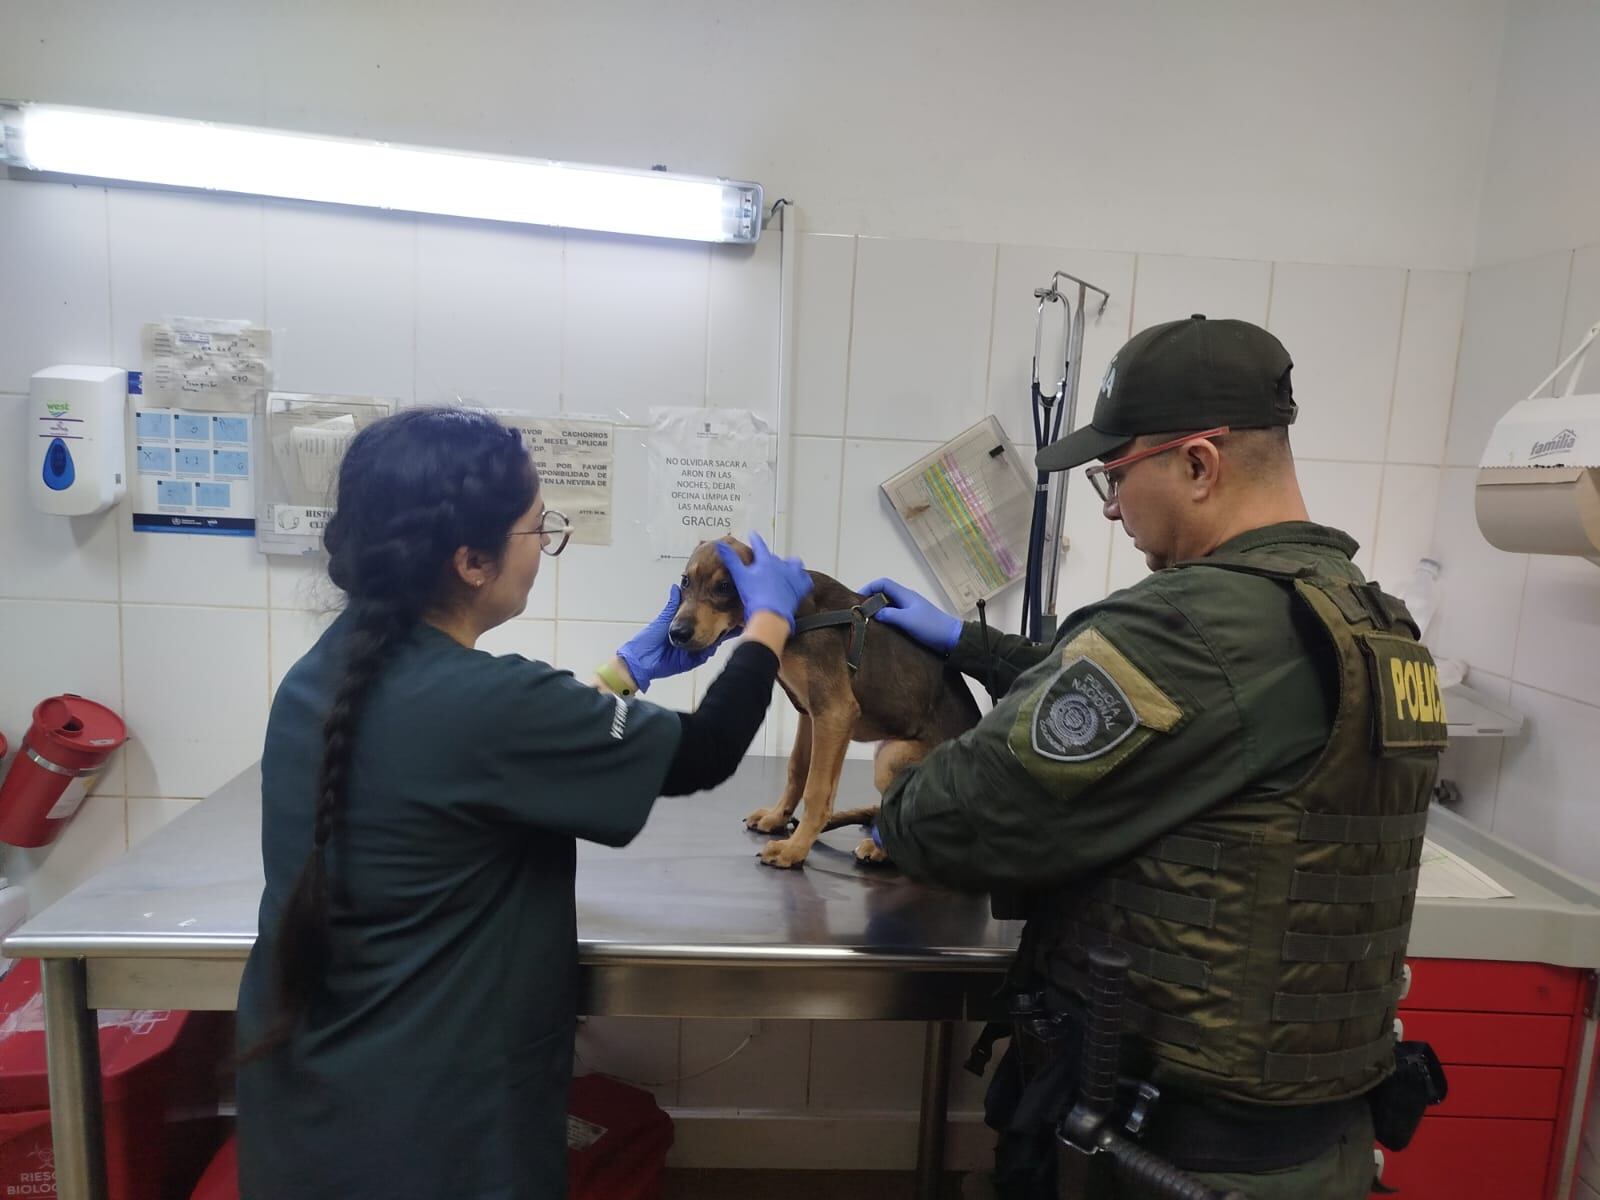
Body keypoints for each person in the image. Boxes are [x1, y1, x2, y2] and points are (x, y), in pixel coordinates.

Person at [861, 316, 1447, 1200]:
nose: (1107, 504)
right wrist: (970, 644)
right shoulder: (1374, 623)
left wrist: (908, 764)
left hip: (1168, 1154)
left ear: (1199, 465)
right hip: (1319, 1140)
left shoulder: (1185, 624)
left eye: (1115, 474)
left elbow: (943, 825)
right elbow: (1200, 721)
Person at [235, 407, 812, 1199]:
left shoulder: (321, 675)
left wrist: (623, 674)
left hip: (312, 1111)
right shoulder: (487, 701)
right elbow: (705, 753)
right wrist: (770, 622)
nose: (545, 548)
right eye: (541, 529)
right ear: (472, 560)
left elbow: (490, 748)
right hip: (439, 1136)